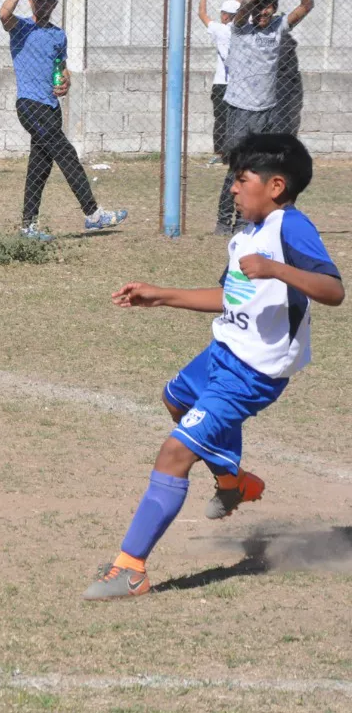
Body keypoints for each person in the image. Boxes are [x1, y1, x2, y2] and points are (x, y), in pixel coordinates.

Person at [83, 134, 342, 601]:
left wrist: (278, 269)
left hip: (253, 372)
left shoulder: (289, 226)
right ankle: (232, 481)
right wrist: (160, 295)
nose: (233, 191)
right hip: (222, 353)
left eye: (241, 181)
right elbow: (230, 297)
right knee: (175, 399)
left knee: (174, 454)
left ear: (276, 186)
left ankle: (131, 570)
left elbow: (332, 290)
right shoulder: (246, 236)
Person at [0, 0, 126, 241]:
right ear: (31, 2)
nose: (43, 5)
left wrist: (66, 81)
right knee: (66, 152)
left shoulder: (58, 35)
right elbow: (3, 13)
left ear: (54, 5)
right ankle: (92, 213)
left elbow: (61, 67)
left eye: (48, 1)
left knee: (40, 167)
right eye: (39, 0)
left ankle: (28, 227)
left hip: (51, 108)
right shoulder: (20, 28)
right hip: (29, 105)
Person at [218, 0, 313, 234]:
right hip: (239, 109)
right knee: (235, 168)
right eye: (259, 10)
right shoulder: (239, 29)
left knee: (260, 169)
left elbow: (307, 5)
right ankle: (224, 221)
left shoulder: (278, 27)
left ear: (273, 9)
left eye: (267, 10)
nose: (262, 14)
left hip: (267, 111)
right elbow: (246, 1)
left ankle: (249, 221)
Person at [196, 0, 241, 165]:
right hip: (240, 83)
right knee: (239, 119)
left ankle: (222, 154)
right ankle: (238, 152)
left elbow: (202, 14)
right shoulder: (244, 31)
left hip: (222, 82)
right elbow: (242, 11)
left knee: (221, 119)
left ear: (224, 16)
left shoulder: (221, 31)